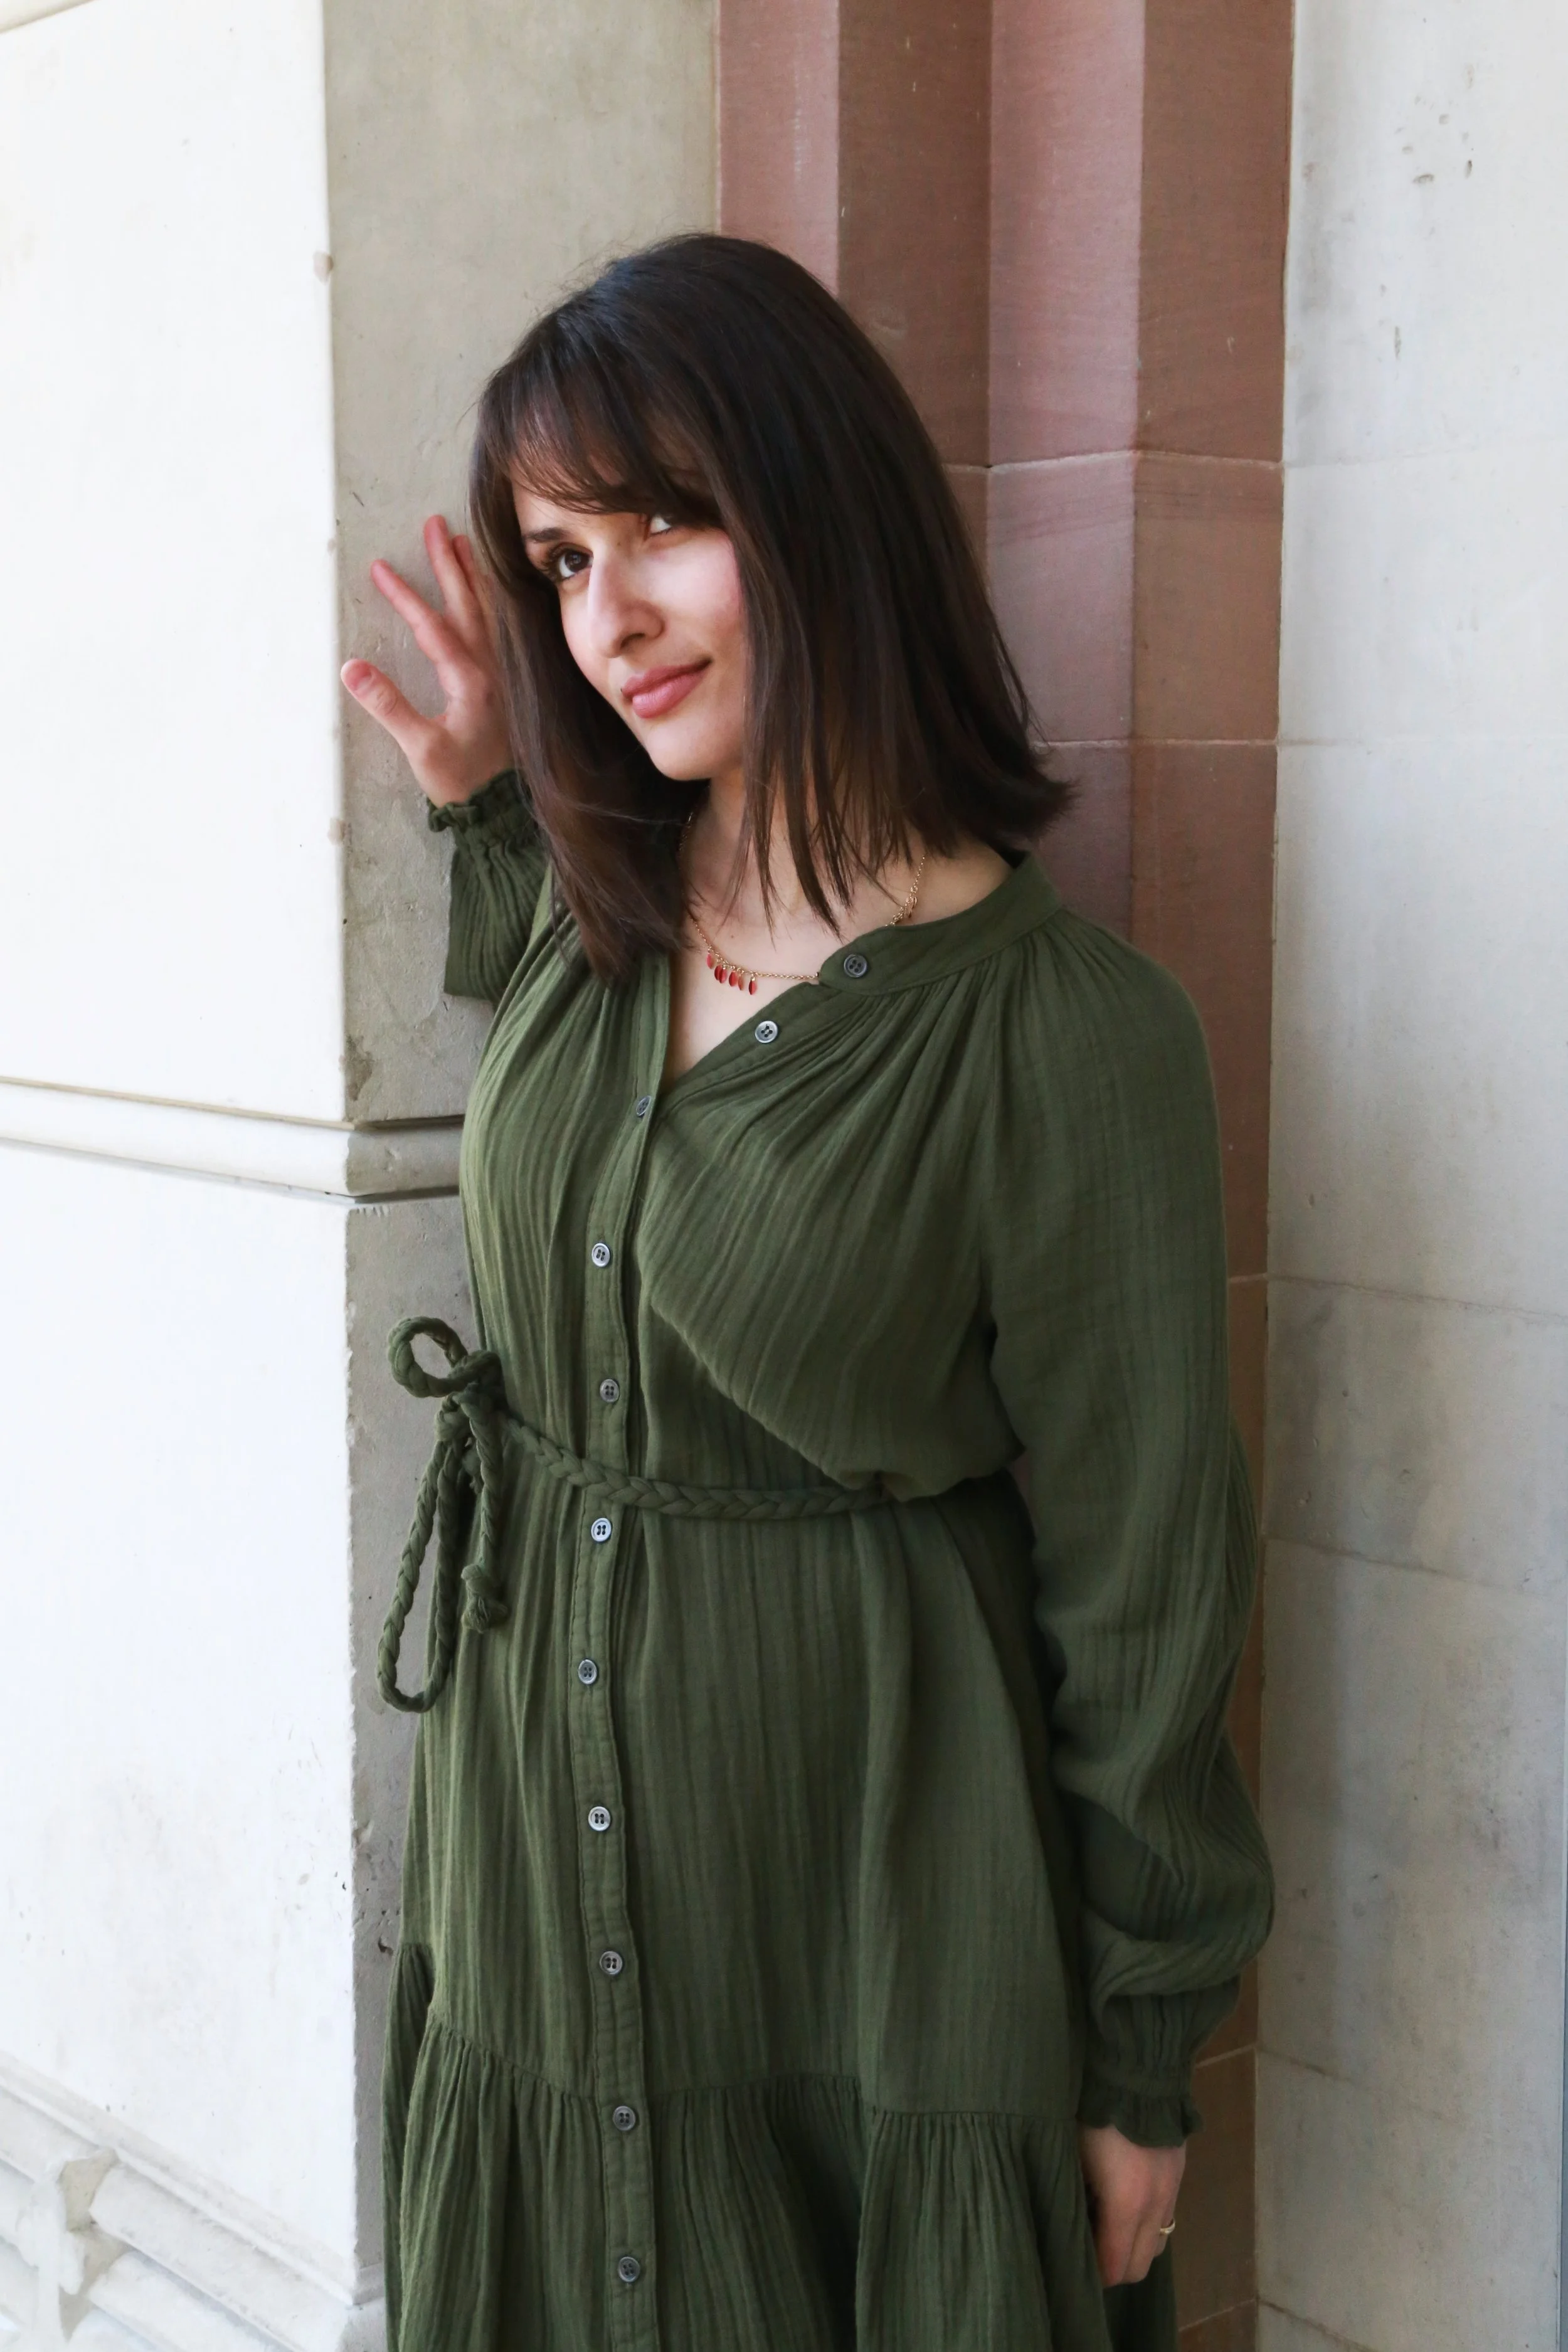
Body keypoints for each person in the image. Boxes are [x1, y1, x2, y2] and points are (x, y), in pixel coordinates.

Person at [340, 233, 1272, 2352]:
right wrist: (492, 801)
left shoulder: (1062, 1030)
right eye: (565, 560)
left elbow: (1143, 1590)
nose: (609, 618)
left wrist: (1139, 2059)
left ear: (823, 505)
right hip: (527, 1839)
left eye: (665, 520)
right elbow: (596, 1155)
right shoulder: (603, 914)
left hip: (861, 1898)